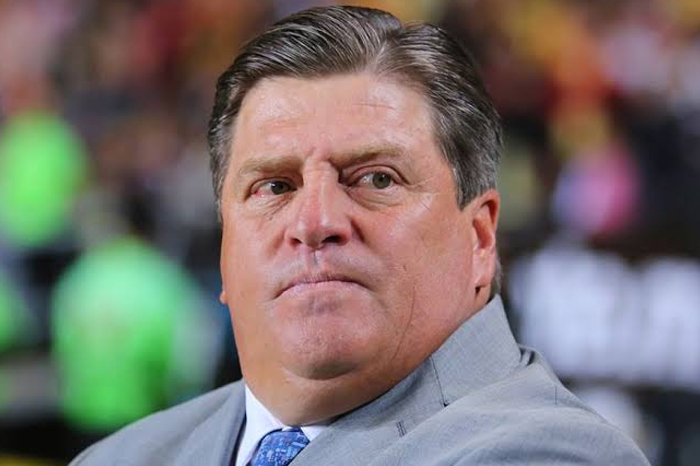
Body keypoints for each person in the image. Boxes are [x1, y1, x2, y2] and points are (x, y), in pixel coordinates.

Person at [70, 6, 650, 465]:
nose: (314, 222)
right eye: (274, 187)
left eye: (376, 179)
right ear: (225, 253)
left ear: (479, 239)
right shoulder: (119, 457)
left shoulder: (553, 454)